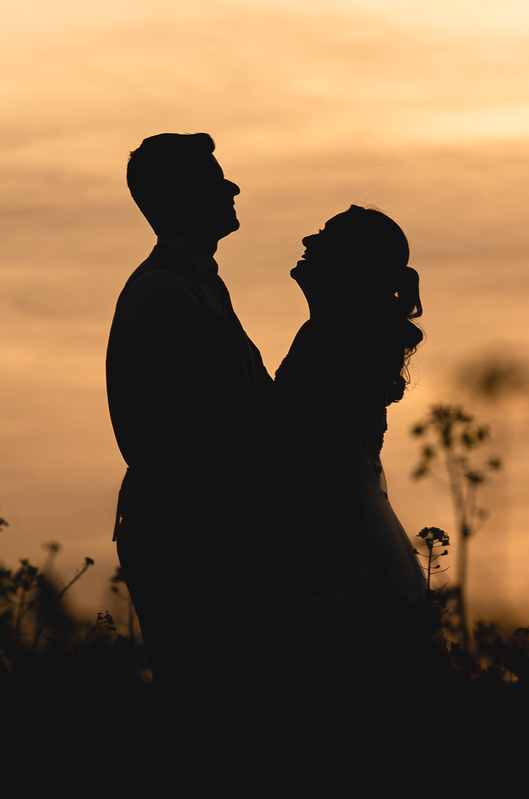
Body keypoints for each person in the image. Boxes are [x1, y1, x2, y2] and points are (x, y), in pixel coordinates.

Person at [107, 133, 275, 694]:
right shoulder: (164, 291)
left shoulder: (197, 284)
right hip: (190, 534)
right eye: (214, 180)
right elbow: (193, 424)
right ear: (181, 197)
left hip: (209, 528)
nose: (232, 188)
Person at [273, 205, 436, 703]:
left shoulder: (333, 338)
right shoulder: (338, 333)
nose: (308, 239)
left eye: (324, 236)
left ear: (349, 264)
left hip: (337, 539)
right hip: (347, 528)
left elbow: (305, 444)